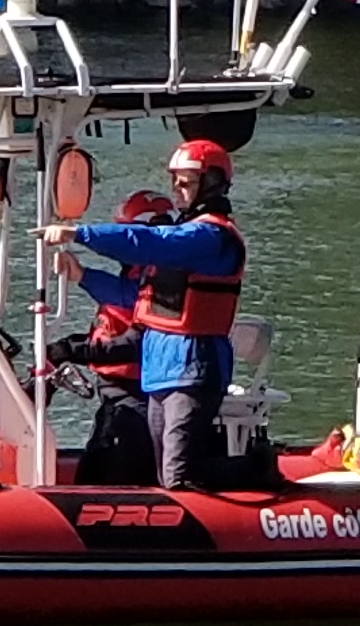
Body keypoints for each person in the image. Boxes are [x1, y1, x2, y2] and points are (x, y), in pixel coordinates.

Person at [40, 137, 245, 490]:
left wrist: (81, 234)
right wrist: (83, 276)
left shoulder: (210, 237)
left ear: (211, 183)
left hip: (193, 368)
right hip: (159, 369)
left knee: (178, 475)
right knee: (163, 473)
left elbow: (152, 242)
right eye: (175, 182)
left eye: (186, 182)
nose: (178, 189)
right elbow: (136, 298)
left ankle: (255, 469)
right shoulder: (184, 239)